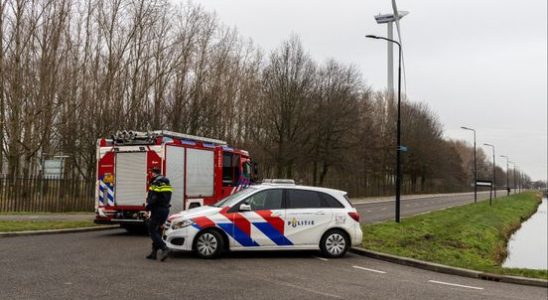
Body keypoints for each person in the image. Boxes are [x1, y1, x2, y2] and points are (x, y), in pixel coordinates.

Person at [145, 167, 173, 261]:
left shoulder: (156, 182)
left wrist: (147, 208)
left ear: (153, 173)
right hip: (165, 209)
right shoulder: (167, 181)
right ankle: (154, 253)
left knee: (152, 230)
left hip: (157, 210)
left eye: (151, 173)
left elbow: (154, 198)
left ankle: (165, 248)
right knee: (158, 230)